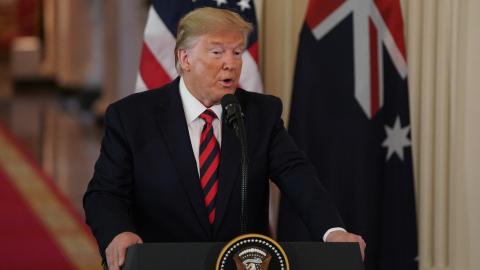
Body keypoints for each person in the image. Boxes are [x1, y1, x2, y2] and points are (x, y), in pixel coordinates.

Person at [83, 7, 366, 270]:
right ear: (185, 58)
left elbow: (298, 176)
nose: (230, 64)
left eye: (237, 52)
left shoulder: (261, 114)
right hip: (163, 262)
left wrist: (333, 231)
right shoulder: (132, 117)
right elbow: (105, 193)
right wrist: (118, 233)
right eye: (217, 52)